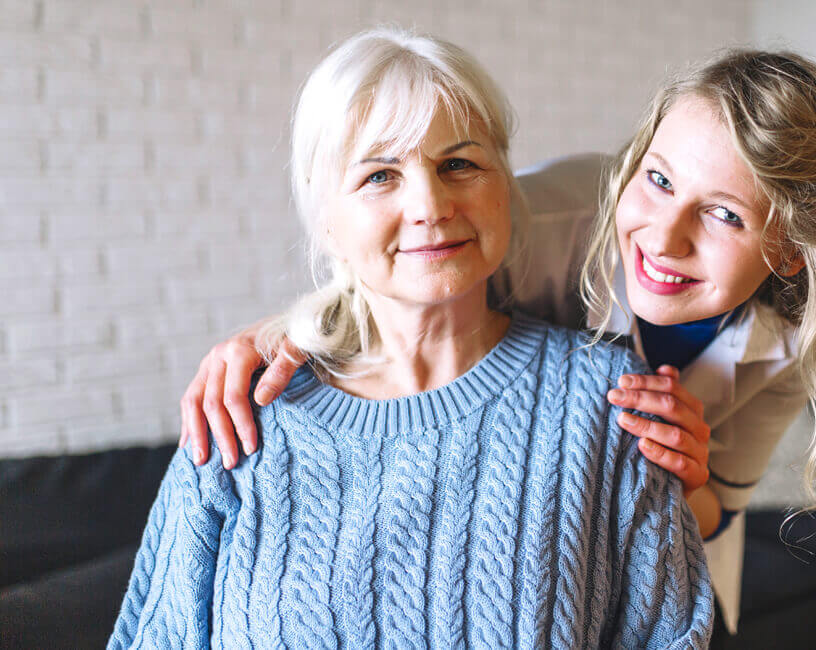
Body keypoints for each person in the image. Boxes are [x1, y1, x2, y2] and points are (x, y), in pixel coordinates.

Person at [180, 46, 816, 636]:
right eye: (659, 179)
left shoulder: (791, 343)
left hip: (668, 565)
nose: (664, 238)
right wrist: (273, 335)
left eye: (725, 215)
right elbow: (395, 264)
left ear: (790, 251)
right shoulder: (539, 221)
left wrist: (686, 477)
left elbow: (716, 510)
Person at [109, 27, 713, 649]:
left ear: (505, 186)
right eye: (379, 175)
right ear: (326, 218)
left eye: (460, 164)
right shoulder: (241, 420)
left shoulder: (609, 405)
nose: (430, 203)